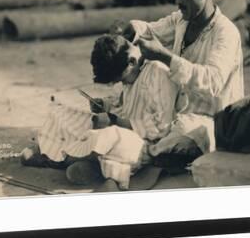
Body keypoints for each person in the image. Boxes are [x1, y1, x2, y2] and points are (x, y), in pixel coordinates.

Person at [23, 34, 181, 190]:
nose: (120, 83)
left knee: (109, 137)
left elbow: (161, 128)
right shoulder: (130, 69)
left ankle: (60, 159)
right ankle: (88, 163)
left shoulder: (158, 72)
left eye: (120, 79)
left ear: (132, 61)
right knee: (62, 112)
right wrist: (105, 105)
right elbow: (121, 104)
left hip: (142, 143)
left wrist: (114, 120)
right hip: (117, 128)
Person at [125, 0, 244, 157]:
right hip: (181, 113)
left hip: (212, 119)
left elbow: (213, 81)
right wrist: (131, 29)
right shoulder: (181, 20)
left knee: (179, 140)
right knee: (148, 120)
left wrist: (165, 57)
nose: (177, 2)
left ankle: (140, 157)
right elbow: (151, 29)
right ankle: (142, 152)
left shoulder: (226, 32)